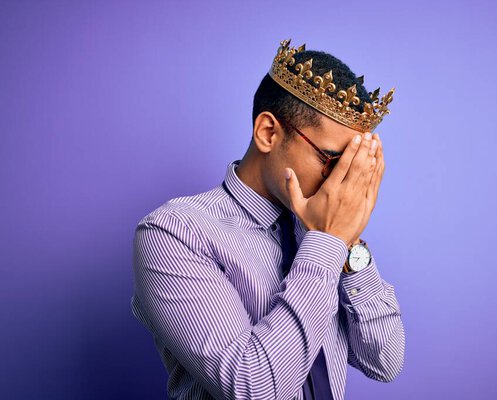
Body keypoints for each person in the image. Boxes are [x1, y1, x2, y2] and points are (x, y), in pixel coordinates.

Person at [131, 38, 405, 400]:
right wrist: (327, 242)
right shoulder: (173, 234)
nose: (343, 183)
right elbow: (254, 388)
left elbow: (383, 360)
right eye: (333, 160)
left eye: (354, 166)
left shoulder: (322, 225)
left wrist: (350, 246)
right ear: (268, 133)